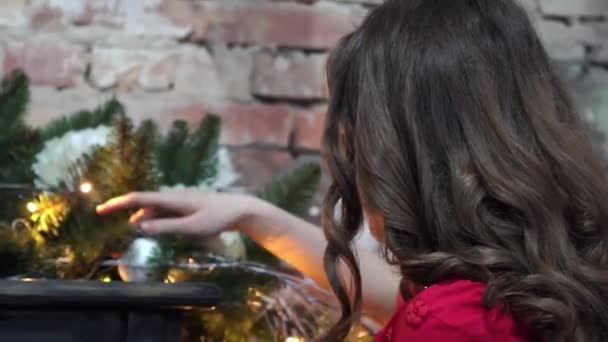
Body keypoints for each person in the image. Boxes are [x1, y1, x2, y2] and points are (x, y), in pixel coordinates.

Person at [97, 0, 608, 340]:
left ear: (404, 149)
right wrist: (252, 215)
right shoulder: (513, 287)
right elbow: (394, 296)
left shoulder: (451, 323)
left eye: (358, 130)